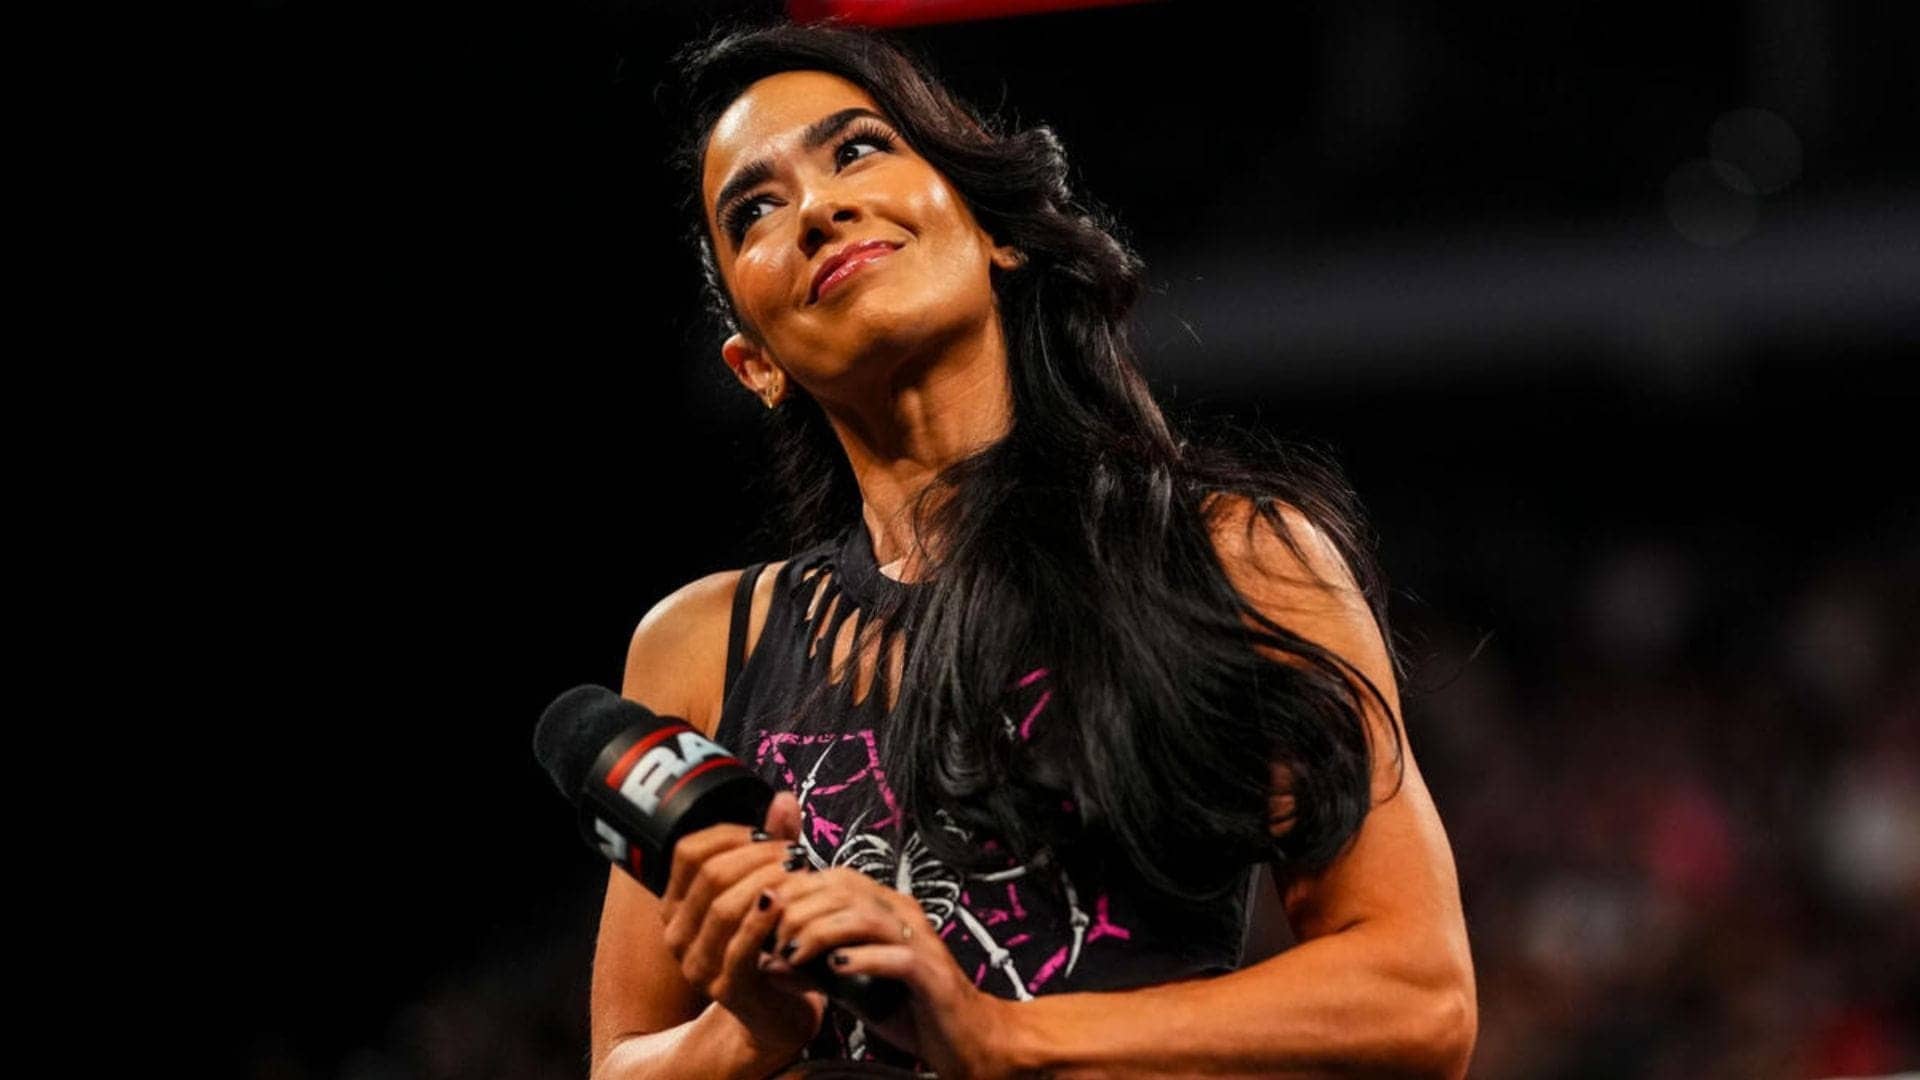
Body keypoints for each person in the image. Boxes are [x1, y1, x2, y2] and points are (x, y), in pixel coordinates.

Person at [589, 16, 1475, 1080]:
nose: (817, 209)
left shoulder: (1233, 559)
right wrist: (746, 1032)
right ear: (756, 364)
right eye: (755, 212)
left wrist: (1001, 1036)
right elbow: (621, 1061)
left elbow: (1419, 996)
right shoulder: (702, 646)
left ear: (995, 231)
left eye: (858, 149)